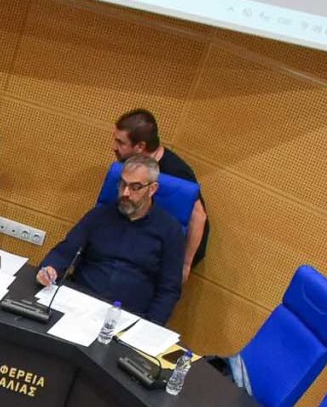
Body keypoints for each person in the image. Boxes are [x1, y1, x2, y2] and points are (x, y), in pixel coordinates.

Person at [35, 156, 186, 327]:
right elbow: (65, 252)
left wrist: (148, 327)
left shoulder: (170, 231)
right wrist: (50, 269)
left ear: (152, 189)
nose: (125, 193)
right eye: (122, 184)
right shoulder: (99, 216)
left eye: (135, 187)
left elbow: (168, 290)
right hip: (79, 304)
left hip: (127, 317)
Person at [113, 108, 209, 271]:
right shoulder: (129, 162)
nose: (114, 147)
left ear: (140, 146)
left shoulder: (176, 172)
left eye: (121, 143)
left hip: (170, 249)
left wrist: (185, 265)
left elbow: (199, 217)